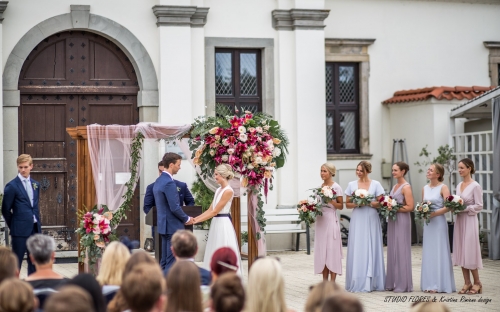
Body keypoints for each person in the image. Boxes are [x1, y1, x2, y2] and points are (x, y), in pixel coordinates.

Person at [344, 160, 385, 292]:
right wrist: (358, 203)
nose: (358, 173)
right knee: (358, 245)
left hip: (371, 217)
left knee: (371, 244)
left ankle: (373, 281)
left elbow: (381, 203)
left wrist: (368, 202)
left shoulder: (376, 184)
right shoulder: (351, 185)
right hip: (358, 217)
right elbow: (347, 204)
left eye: (361, 170)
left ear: (367, 171)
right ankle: (358, 279)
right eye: (357, 170)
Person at [193, 164, 242, 274]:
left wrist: (197, 221)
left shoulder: (228, 191)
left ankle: (225, 274)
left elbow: (215, 211)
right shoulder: (218, 190)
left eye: (216, 175)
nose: (214, 177)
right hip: (216, 222)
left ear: (223, 175)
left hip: (223, 223)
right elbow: (210, 209)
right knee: (214, 247)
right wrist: (195, 219)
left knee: (222, 245)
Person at [1, 154, 41, 275]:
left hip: (34, 228)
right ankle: (14, 289)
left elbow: (34, 206)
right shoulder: (12, 186)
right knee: (16, 262)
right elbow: (5, 210)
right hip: (19, 231)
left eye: (25, 167)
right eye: (20, 167)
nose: (23, 170)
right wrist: (14, 225)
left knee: (34, 261)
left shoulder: (36, 185)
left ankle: (33, 287)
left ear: (31, 166)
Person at [153, 153, 194, 271]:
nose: (180, 167)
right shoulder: (169, 183)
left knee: (164, 261)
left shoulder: (159, 180)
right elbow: (175, 207)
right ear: (171, 165)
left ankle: (161, 283)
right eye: (178, 165)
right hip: (172, 227)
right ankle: (168, 286)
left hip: (163, 226)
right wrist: (187, 219)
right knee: (171, 262)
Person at [144, 161, 195, 251]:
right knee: (162, 253)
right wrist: (160, 217)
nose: (162, 173)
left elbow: (190, 202)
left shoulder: (181, 185)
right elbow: (147, 207)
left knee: (174, 254)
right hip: (159, 225)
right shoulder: (152, 187)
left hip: (178, 223)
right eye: (160, 171)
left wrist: (184, 216)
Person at [421, 164, 455, 293]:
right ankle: (429, 283)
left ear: (438, 174)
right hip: (428, 223)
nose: (428, 171)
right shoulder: (424, 188)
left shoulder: (443, 187)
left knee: (439, 250)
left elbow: (449, 206)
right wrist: (423, 212)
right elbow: (422, 204)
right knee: (429, 251)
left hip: (439, 222)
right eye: (428, 169)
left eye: (431, 170)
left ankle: (440, 284)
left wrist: (434, 213)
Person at [453, 158, 483, 294]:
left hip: (470, 221)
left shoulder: (475, 185)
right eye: (458, 168)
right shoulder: (459, 185)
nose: (459, 170)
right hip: (459, 221)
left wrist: (463, 208)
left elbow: (479, 206)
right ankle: (467, 282)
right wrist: (453, 207)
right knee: (461, 250)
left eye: (462, 168)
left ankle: (477, 282)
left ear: (469, 168)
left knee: (469, 250)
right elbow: (456, 201)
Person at [385, 162, 414, 292]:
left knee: (401, 249)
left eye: (395, 170)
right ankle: (393, 281)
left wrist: (394, 208)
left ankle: (403, 284)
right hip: (392, 220)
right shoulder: (395, 185)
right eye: (392, 170)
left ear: (403, 171)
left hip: (402, 219)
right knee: (393, 249)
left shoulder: (406, 187)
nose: (393, 172)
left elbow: (410, 206)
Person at [314, 163, 343, 281]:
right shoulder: (319, 187)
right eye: (321, 171)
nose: (322, 173)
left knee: (331, 250)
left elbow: (341, 206)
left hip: (330, 219)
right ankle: (324, 282)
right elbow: (318, 203)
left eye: (324, 171)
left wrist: (331, 201)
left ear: (331, 172)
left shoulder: (336, 187)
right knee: (322, 251)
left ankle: (332, 283)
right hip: (320, 221)